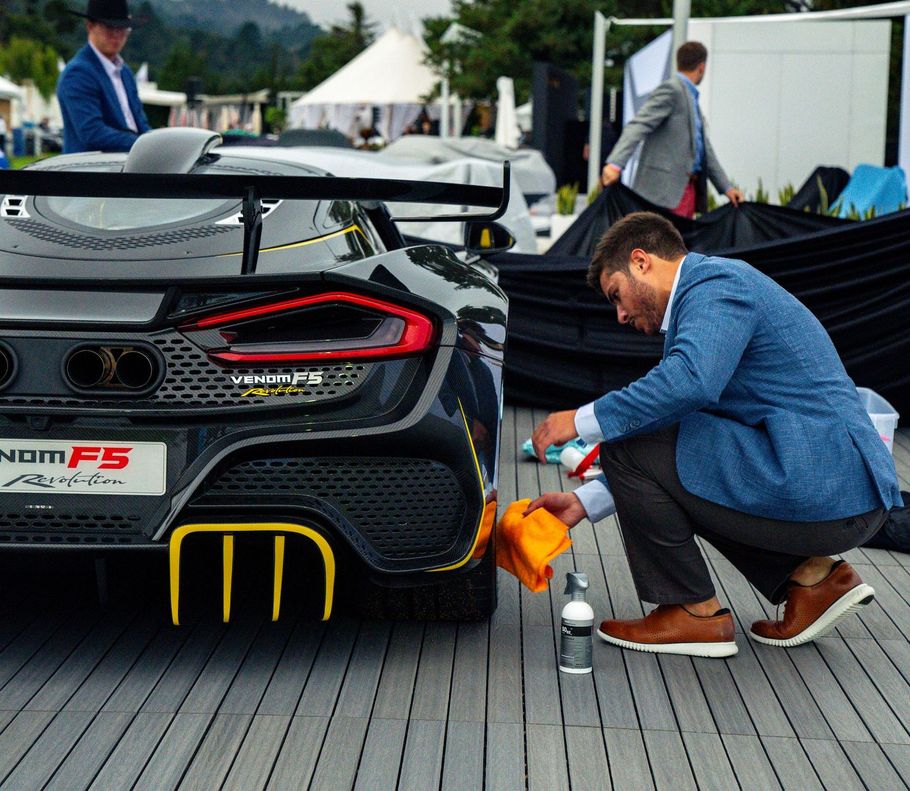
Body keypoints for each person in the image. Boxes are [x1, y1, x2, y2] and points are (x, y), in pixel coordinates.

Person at [528, 212, 900, 658]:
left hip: (832, 486)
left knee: (628, 439)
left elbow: (690, 383)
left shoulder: (717, 286)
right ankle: (812, 580)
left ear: (641, 261)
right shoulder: (707, 300)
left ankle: (692, 612)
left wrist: (582, 420)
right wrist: (587, 501)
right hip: (829, 486)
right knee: (663, 448)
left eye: (617, 296)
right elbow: (675, 439)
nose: (621, 315)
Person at [601, 42, 744, 219]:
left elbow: (705, 151)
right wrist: (616, 163)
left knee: (675, 245)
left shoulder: (691, 98)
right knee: (661, 245)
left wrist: (727, 188)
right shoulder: (672, 90)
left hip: (683, 192)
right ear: (702, 67)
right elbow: (639, 124)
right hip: (662, 195)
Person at [57, 0, 150, 154]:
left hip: (126, 164)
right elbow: (93, 133)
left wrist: (157, 142)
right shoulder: (78, 73)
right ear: (90, 26)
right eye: (109, 27)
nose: (116, 35)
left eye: (122, 28)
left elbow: (141, 123)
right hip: (92, 169)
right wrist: (144, 144)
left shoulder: (125, 72)